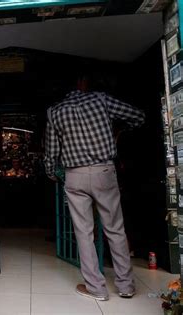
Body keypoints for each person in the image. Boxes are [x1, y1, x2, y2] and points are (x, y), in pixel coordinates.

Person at [44, 74, 145, 301]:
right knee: (115, 229)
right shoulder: (101, 100)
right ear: (81, 83)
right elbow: (138, 117)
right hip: (104, 172)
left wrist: (51, 172)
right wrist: (118, 131)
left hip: (75, 176)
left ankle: (96, 289)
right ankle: (126, 286)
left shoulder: (54, 112)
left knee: (83, 233)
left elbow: (51, 152)